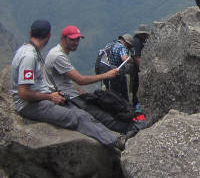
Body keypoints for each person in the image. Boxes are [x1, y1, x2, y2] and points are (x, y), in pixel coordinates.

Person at [11, 20, 126, 152]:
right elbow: (23, 93)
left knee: (81, 112)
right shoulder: (29, 57)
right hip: (30, 105)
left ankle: (112, 139)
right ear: (49, 36)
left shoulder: (26, 50)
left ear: (30, 33)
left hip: (40, 100)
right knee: (77, 117)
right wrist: (49, 97)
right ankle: (116, 142)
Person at [44, 25, 139, 135]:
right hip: (67, 97)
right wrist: (107, 75)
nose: (76, 42)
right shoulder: (58, 56)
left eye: (77, 39)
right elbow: (80, 80)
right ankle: (127, 131)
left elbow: (67, 79)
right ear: (63, 38)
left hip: (70, 92)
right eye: (72, 39)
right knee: (102, 115)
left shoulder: (59, 52)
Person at [100, 34, 134, 101]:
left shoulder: (110, 44)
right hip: (114, 72)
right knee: (117, 94)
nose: (128, 48)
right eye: (129, 46)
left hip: (104, 71)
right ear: (125, 42)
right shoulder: (121, 47)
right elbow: (124, 59)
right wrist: (132, 60)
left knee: (108, 92)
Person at [130, 24, 150, 112]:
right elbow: (136, 57)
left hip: (140, 68)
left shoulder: (142, 40)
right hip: (137, 70)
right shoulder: (136, 41)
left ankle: (138, 109)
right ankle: (136, 111)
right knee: (136, 88)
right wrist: (142, 69)